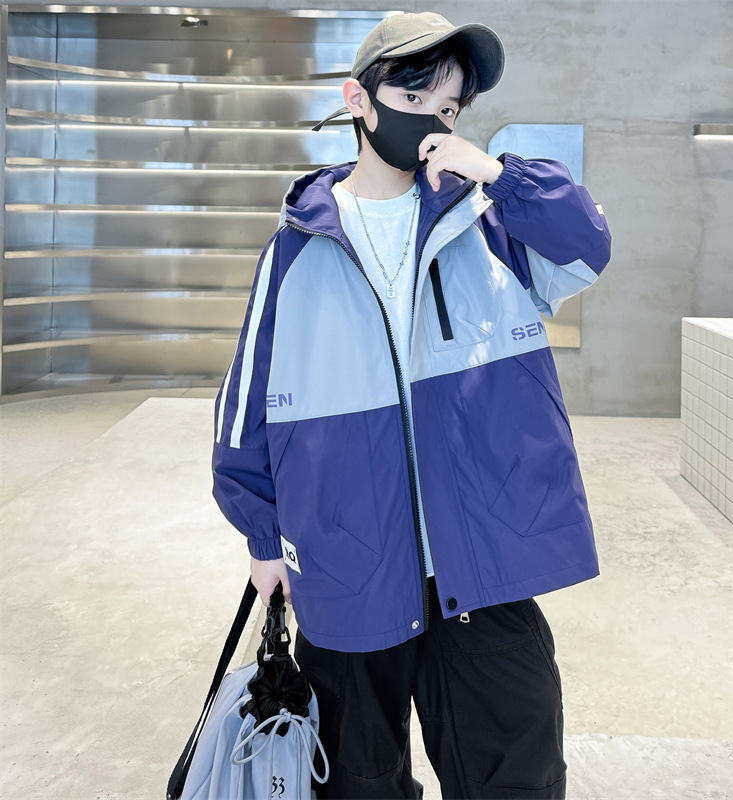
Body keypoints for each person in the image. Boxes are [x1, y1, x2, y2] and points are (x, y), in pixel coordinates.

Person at [212, 11, 611, 799]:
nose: (433, 116)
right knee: (357, 780)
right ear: (358, 99)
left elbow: (586, 245)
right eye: (414, 94)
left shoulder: (489, 223)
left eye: (449, 105)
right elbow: (244, 411)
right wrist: (263, 535)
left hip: (483, 561)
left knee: (516, 777)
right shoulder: (296, 247)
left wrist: (499, 175)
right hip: (350, 564)